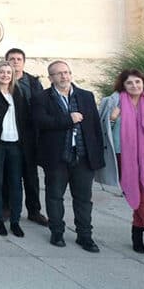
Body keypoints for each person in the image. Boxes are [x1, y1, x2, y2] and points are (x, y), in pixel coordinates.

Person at [97, 69, 144, 254]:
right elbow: (101, 129)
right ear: (122, 85)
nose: (134, 86)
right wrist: (112, 118)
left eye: (138, 82)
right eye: (129, 83)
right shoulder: (112, 101)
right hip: (123, 153)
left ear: (143, 83)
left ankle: (137, 235)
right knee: (136, 192)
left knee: (141, 194)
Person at [32, 60, 105, 253]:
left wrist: (96, 156)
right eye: (58, 74)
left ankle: (85, 236)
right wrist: (67, 119)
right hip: (56, 157)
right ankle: (57, 232)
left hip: (82, 157)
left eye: (66, 72)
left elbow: (95, 128)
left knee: (83, 199)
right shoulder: (42, 98)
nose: (64, 76)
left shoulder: (86, 96)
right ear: (50, 78)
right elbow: (40, 122)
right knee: (54, 196)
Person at [0, 61, 31, 238]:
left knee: (15, 183)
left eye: (8, 72)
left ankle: (15, 221)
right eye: (1, 72)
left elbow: (25, 120)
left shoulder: (18, 93)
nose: (5, 75)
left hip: (16, 145)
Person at [5, 47, 48, 226]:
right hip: (8, 135)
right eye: (12, 59)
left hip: (29, 136)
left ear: (23, 62)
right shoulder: (2, 79)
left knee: (31, 176)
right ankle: (6, 207)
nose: (15, 62)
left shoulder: (32, 82)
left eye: (18, 59)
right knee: (8, 174)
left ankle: (34, 210)